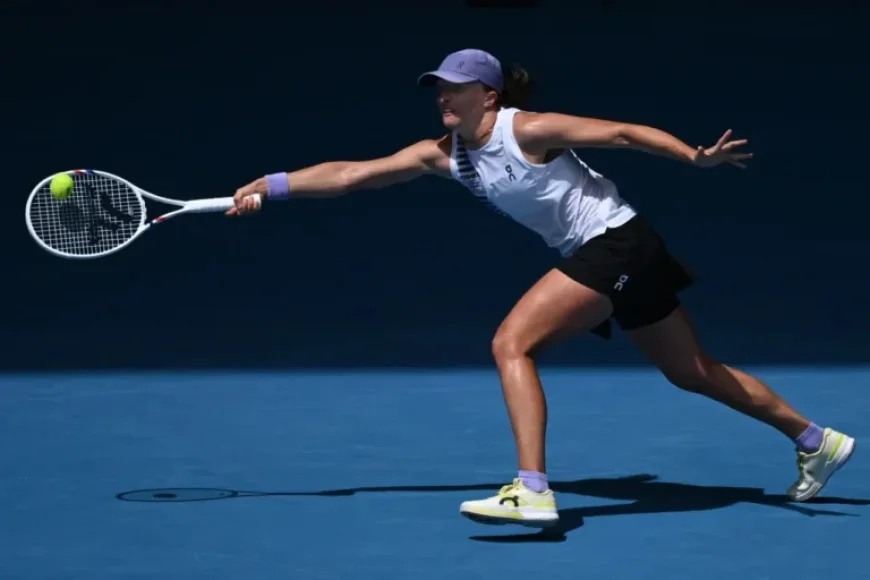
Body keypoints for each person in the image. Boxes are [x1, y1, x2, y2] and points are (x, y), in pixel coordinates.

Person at [228, 49, 855, 528]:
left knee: (512, 344)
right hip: (623, 250)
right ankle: (814, 440)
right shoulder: (442, 153)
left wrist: (693, 158)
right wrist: (268, 185)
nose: (443, 96)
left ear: (488, 93)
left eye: (454, 88)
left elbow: (621, 133)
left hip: (615, 243)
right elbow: (349, 176)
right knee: (691, 372)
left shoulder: (526, 129)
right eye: (438, 88)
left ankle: (532, 490)